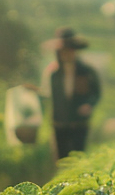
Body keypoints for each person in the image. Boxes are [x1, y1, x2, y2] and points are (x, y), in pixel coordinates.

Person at [39, 26, 100, 159]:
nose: (67, 53)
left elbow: (96, 94)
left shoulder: (87, 72)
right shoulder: (52, 73)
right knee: (61, 160)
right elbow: (46, 94)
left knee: (78, 158)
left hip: (79, 123)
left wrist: (89, 105)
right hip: (59, 124)